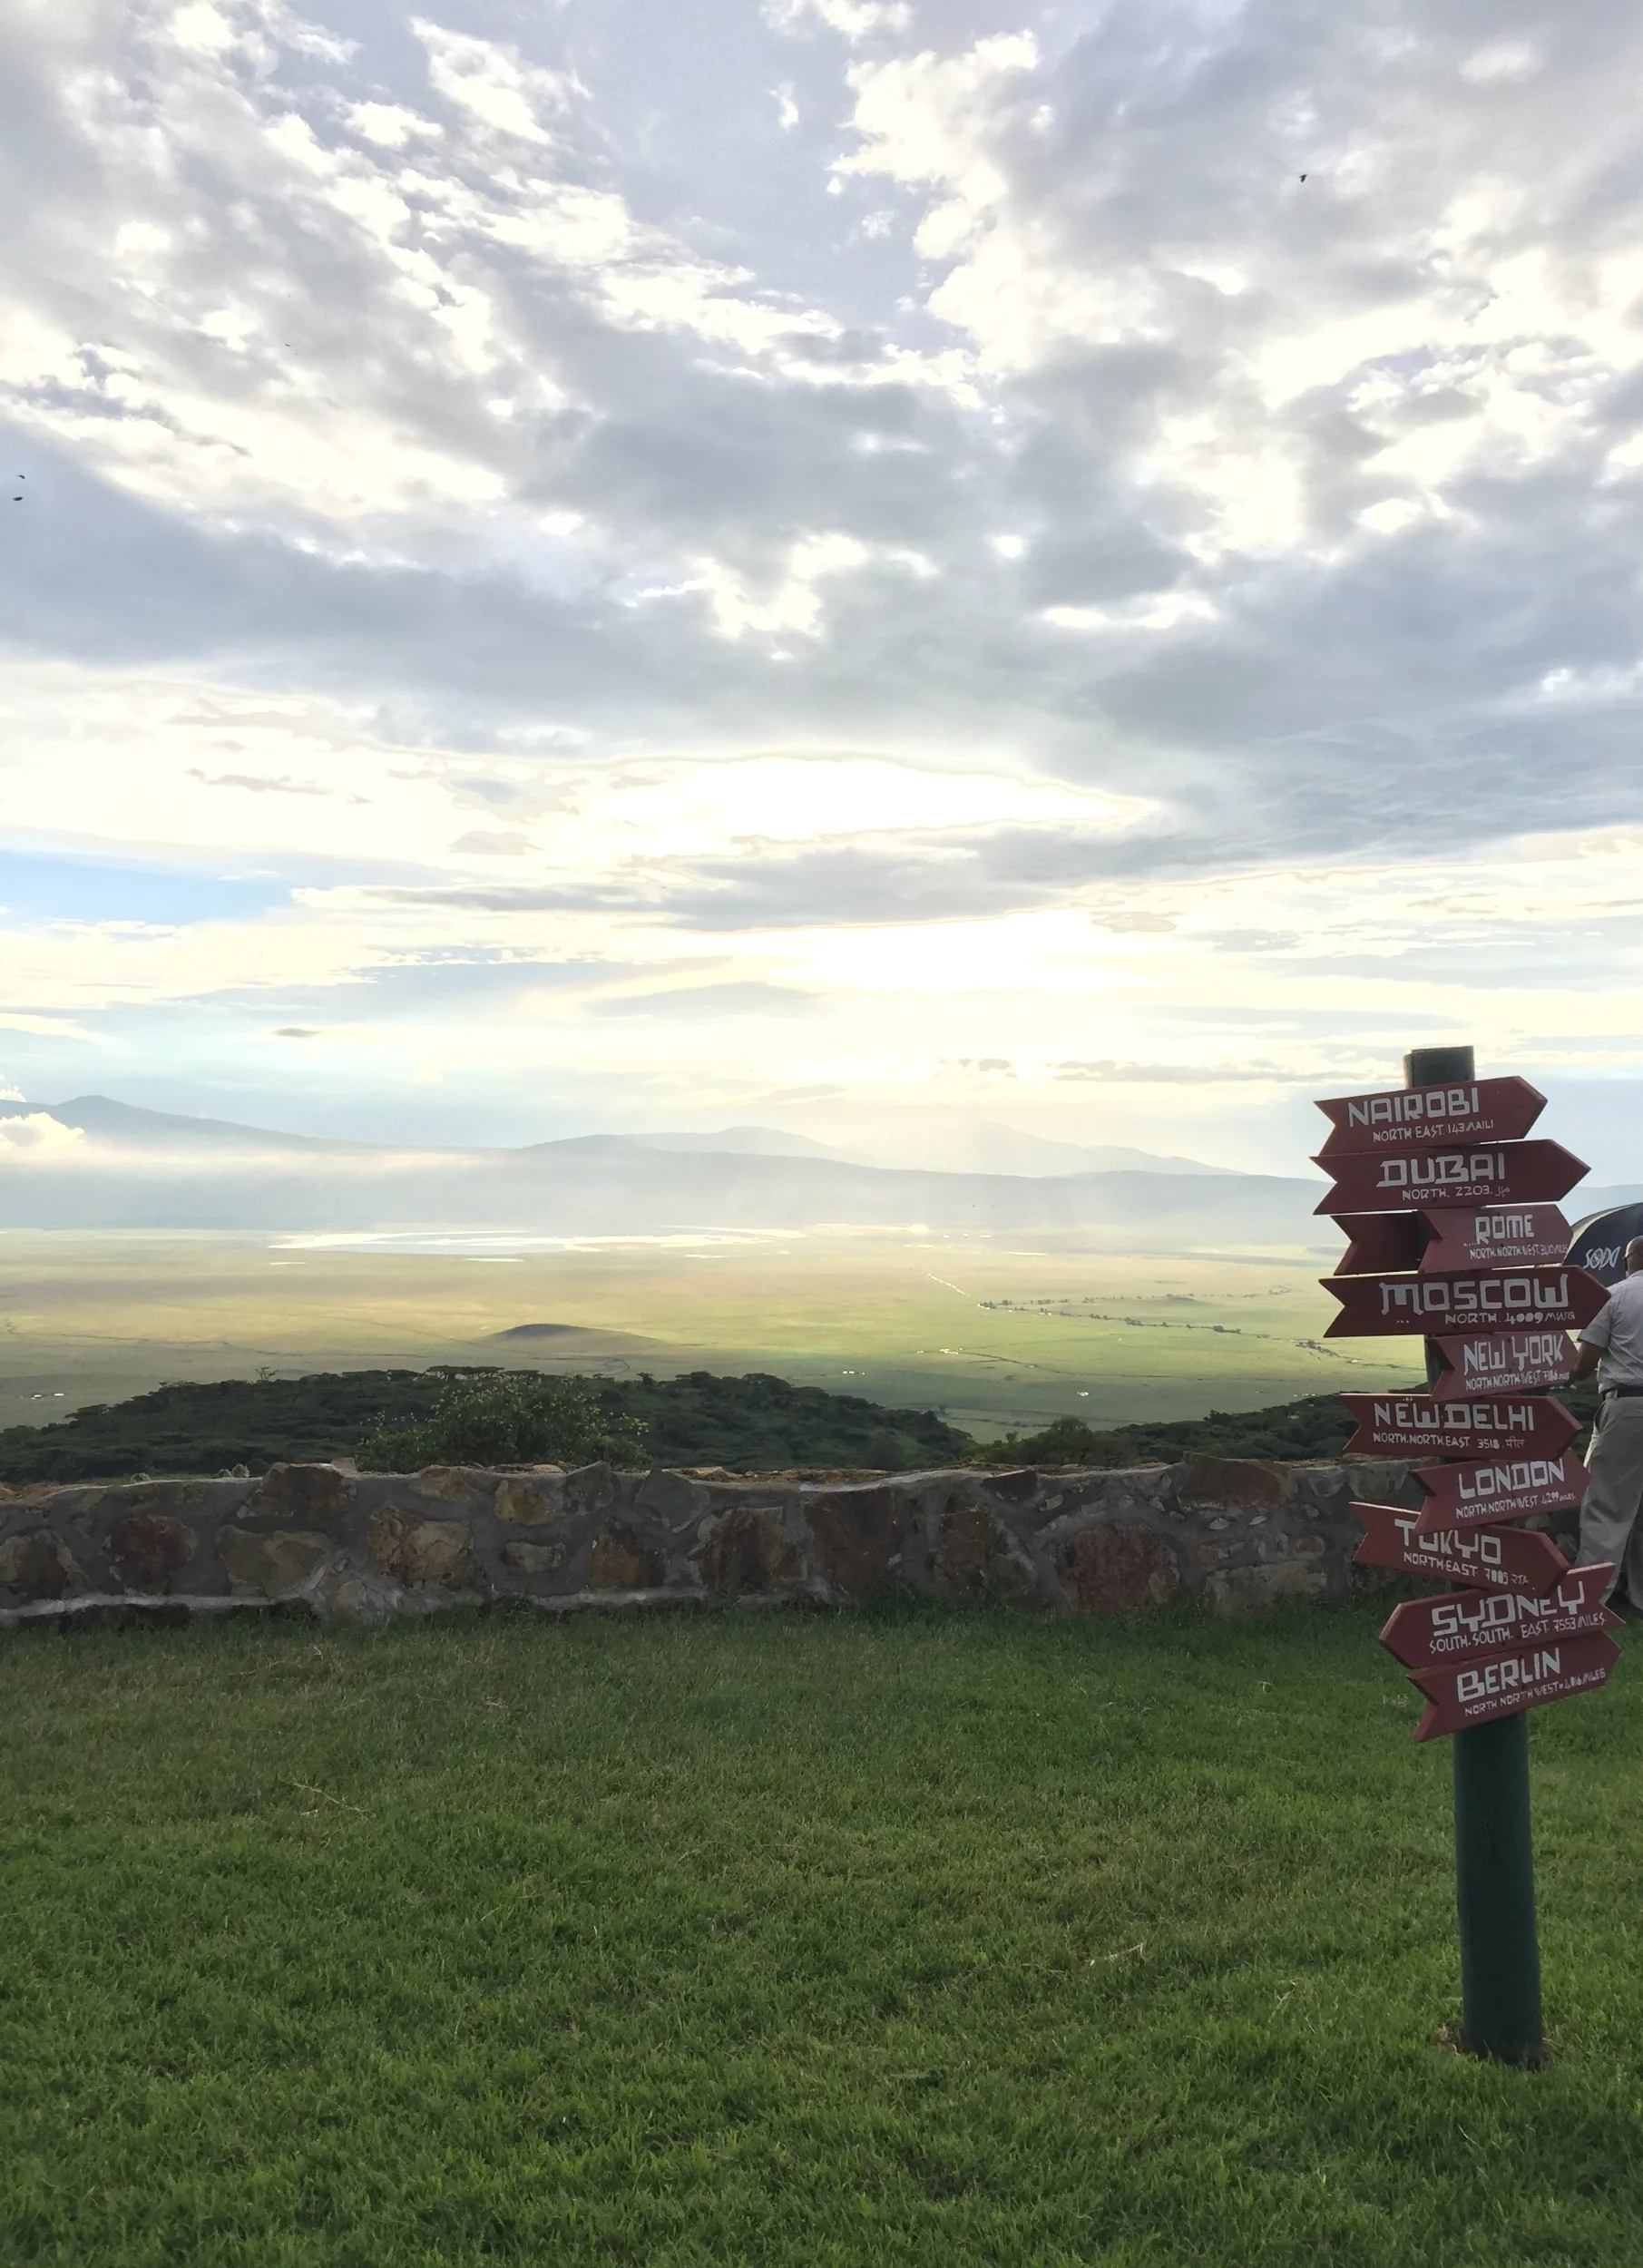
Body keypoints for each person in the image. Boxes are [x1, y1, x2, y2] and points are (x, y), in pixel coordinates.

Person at [1570, 1237, 1643, 1605]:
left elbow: (1583, 1365)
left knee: (1607, 1503)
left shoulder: (1614, 1295)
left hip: (1628, 1405)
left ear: (1629, 1259)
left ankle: (1591, 1596)